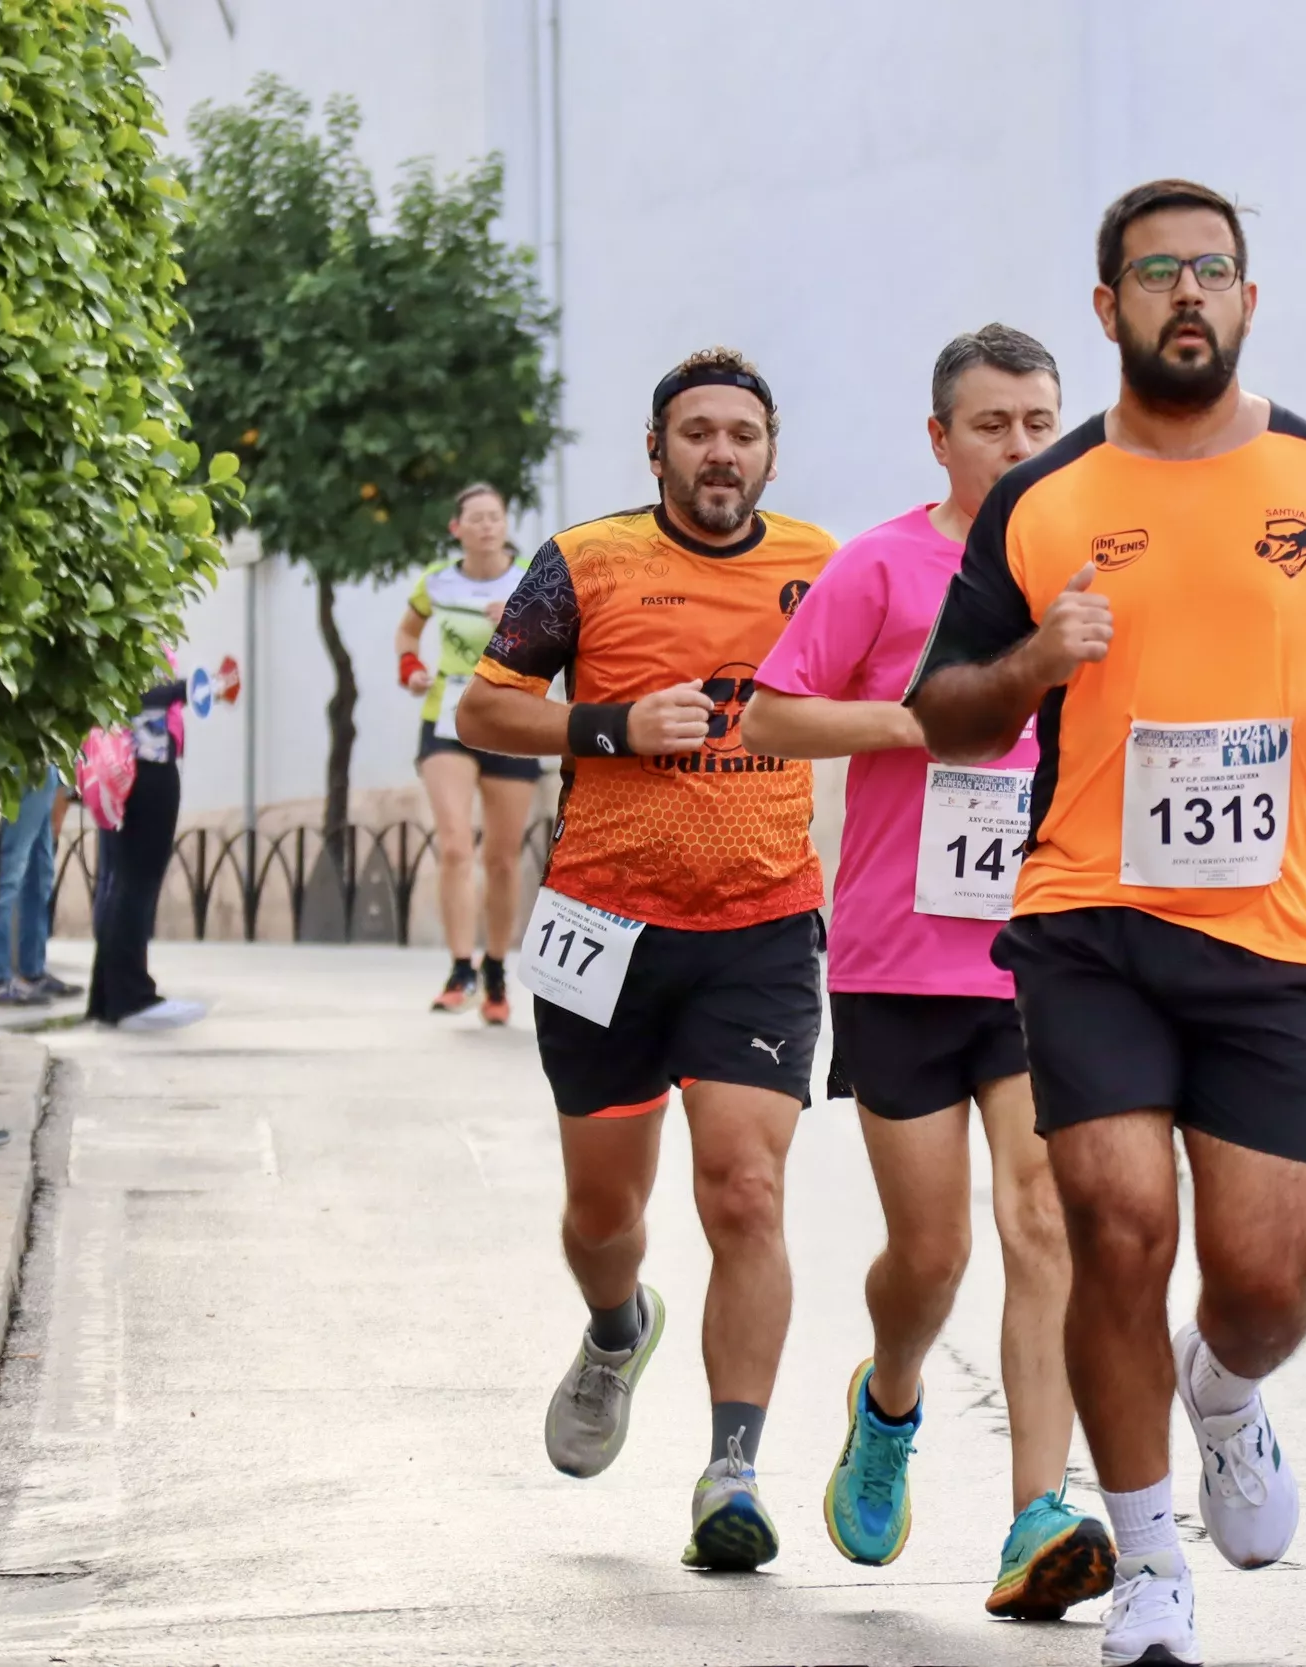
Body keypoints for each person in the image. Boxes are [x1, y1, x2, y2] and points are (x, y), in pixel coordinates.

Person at [907, 180, 1306, 1667]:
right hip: (1089, 919)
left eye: (1214, 270)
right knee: (1117, 1227)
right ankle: (1148, 1558)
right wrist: (1030, 660)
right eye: (1158, 273)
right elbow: (942, 708)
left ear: (1250, 300)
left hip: (1273, 931)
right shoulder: (1044, 497)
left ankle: (1224, 1386)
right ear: (1109, 307)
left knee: (1269, 1278)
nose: (1188, 294)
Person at [742, 324, 1114, 1619]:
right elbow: (770, 713)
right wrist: (922, 713)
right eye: (994, 423)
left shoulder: (1091, 571)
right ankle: (889, 1395)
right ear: (940, 435)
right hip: (901, 956)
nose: (1021, 444)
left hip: (1045, 947)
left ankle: (1037, 1513)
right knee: (933, 1247)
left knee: (1042, 1214)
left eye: (1041, 421)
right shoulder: (883, 566)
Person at [456, 347, 838, 1572]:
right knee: (603, 1211)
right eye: (697, 432)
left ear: (769, 449)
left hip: (762, 926)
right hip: (603, 927)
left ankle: (734, 1468)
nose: (720, 452)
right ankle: (616, 1330)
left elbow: (899, 698)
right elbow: (483, 707)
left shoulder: (818, 567)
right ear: (657, 447)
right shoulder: (587, 561)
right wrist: (608, 724)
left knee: (745, 1188)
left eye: (741, 433)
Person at [393, 482, 545, 1024]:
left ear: (505, 525)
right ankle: (460, 966)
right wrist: (410, 669)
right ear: (457, 528)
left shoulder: (534, 573)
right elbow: (408, 634)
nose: (486, 525)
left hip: (509, 719)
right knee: (455, 845)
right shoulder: (437, 581)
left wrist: (519, 620)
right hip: (446, 720)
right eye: (475, 518)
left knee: (501, 858)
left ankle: (496, 970)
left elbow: (563, 639)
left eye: (495, 516)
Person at [85, 658, 207, 1031]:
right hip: (143, 763)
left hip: (121, 767)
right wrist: (183, 690)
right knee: (135, 882)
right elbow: (126, 692)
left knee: (121, 881)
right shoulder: (132, 621)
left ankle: (109, 998)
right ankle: (131, 999)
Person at [0, 765, 81, 1007]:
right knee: (9, 871)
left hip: (46, 765)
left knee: (40, 873)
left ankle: (33, 971)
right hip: (25, 760)